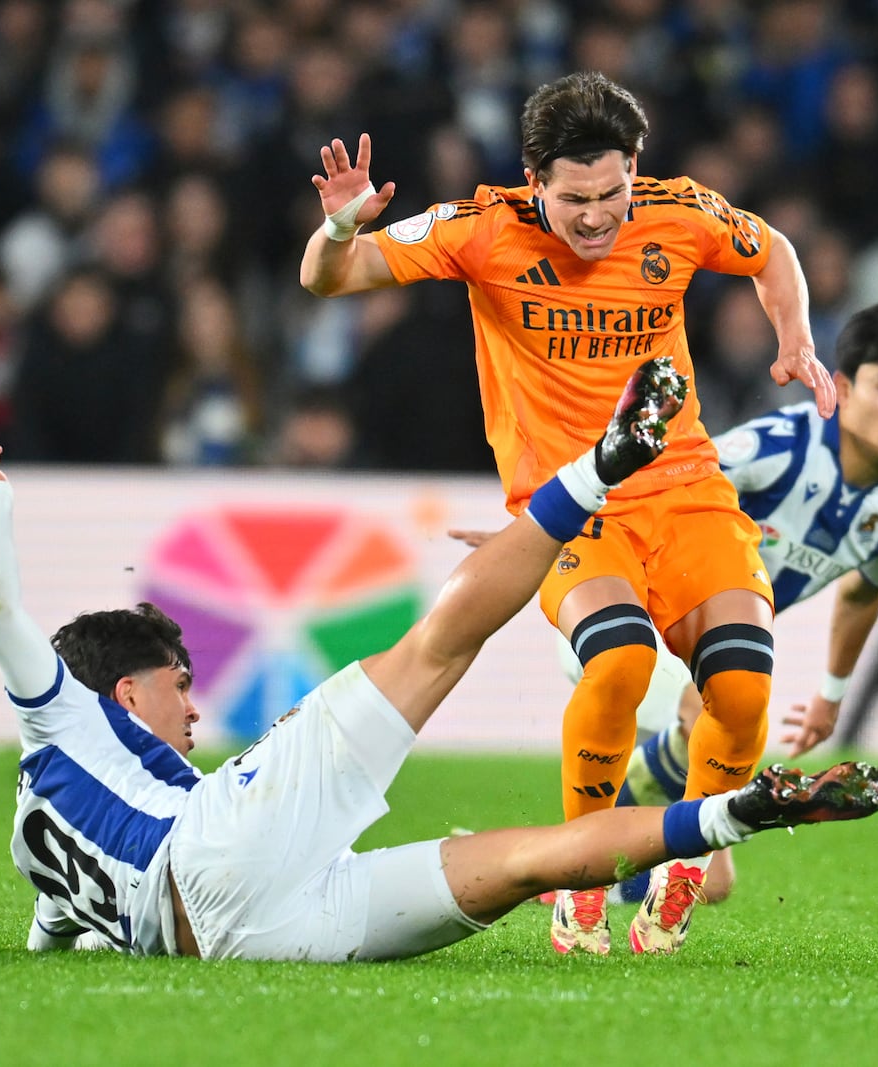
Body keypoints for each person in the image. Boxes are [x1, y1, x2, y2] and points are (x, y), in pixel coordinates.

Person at [0, 358, 878, 962]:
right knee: (436, 648)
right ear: (121, 692)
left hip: (250, 942)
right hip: (212, 845)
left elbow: (52, 935)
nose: (194, 713)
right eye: (178, 686)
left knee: (531, 861)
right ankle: (602, 465)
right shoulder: (60, 711)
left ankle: (747, 809)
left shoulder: (33, 845)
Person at [299, 71, 835, 956]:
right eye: (576, 198)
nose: (599, 217)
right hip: (572, 508)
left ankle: (686, 865)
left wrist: (795, 335)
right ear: (533, 180)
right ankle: (577, 879)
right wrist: (338, 224)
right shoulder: (479, 229)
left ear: (637, 171)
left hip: (688, 490)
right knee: (619, 663)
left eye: (614, 193)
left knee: (741, 690)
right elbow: (331, 279)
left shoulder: (682, 212)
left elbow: (773, 248)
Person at [455, 301, 878, 919]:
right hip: (623, 617)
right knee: (717, 704)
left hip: (704, 654)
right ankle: (571, 852)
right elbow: (652, 472)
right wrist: (542, 530)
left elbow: (863, 591)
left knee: (714, 878)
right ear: (846, 387)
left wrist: (831, 694)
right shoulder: (778, 447)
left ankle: (538, 867)